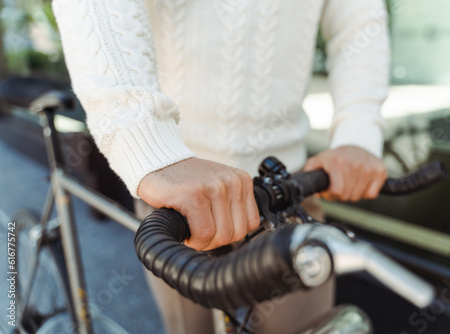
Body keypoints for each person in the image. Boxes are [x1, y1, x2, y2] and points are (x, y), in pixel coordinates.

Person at [53, 0, 389, 333]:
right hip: (182, 200)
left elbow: (358, 23)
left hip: (288, 189)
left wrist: (357, 134)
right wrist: (151, 147)